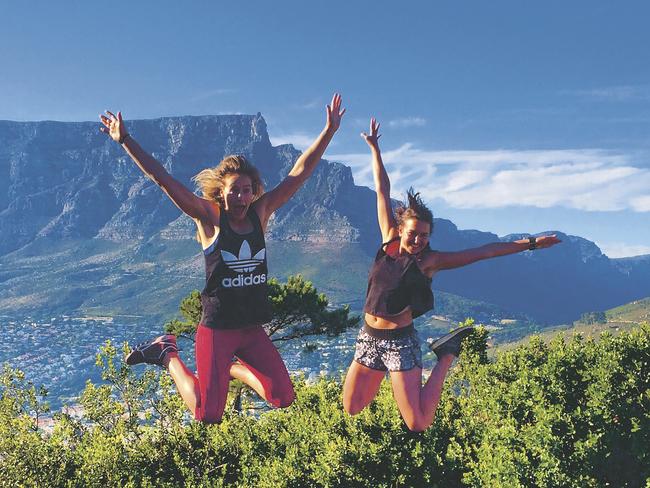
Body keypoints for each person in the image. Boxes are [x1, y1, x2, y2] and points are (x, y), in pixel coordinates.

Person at [99, 94, 346, 423]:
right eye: (234, 189)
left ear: (254, 191)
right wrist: (126, 140)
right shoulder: (209, 218)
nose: (241, 196)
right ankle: (166, 353)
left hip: (251, 329)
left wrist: (328, 131)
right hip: (217, 330)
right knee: (207, 416)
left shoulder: (261, 213)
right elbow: (163, 179)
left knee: (283, 397)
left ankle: (229, 366)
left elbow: (298, 174)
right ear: (221, 191)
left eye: (247, 189)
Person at [342, 118, 561, 432]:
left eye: (425, 236)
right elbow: (382, 189)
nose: (418, 240)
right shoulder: (387, 239)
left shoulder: (430, 262)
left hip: (399, 344)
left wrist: (532, 243)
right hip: (368, 337)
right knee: (351, 407)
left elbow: (484, 251)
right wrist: (375, 148)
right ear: (401, 228)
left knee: (418, 422)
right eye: (414, 233)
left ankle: (445, 355)